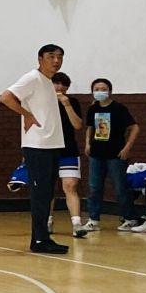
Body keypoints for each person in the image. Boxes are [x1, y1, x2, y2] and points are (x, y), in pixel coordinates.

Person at [0, 45, 68, 255]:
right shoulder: (32, 78)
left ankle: (42, 237)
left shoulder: (48, 82)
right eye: (51, 56)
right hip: (38, 146)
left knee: (47, 194)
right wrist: (26, 115)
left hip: (52, 145)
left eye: (59, 57)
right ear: (40, 59)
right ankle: (39, 239)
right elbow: (6, 97)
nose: (56, 61)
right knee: (40, 194)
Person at [83, 79, 142, 233]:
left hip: (115, 154)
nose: (99, 91)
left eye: (103, 88)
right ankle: (93, 219)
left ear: (109, 91)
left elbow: (135, 127)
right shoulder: (93, 108)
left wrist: (127, 147)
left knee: (120, 187)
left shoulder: (119, 108)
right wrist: (87, 143)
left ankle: (130, 218)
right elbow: (90, 127)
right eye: (96, 89)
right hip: (96, 154)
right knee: (94, 187)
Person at [51, 73, 90, 239]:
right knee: (48, 188)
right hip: (47, 151)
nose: (60, 87)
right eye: (56, 83)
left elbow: (78, 125)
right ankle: (47, 220)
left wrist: (66, 105)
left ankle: (76, 223)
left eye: (64, 84)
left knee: (70, 186)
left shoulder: (72, 102)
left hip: (68, 151)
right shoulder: (42, 101)